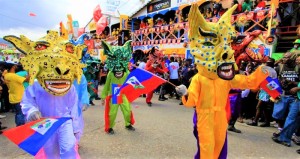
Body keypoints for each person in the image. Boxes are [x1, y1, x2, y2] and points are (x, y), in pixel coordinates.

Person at [176, 4, 276, 158]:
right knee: (206, 149)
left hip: (221, 118)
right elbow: (192, 101)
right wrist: (185, 93)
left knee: (220, 149)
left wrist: (262, 72)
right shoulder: (199, 79)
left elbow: (246, 81)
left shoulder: (226, 78)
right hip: (204, 117)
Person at [5, 31, 82, 158]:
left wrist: (75, 126)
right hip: (45, 122)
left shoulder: (70, 87)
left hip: (64, 121)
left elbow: (73, 106)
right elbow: (27, 102)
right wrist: (32, 112)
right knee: (50, 152)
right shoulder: (35, 85)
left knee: (69, 149)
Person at [100, 41, 135, 134]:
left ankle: (128, 124)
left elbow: (132, 83)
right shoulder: (111, 74)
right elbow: (107, 85)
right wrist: (103, 97)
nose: (118, 65)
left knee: (127, 110)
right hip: (114, 93)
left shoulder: (127, 72)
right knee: (112, 113)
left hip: (124, 94)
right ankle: (110, 127)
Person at [272, 52, 299, 138]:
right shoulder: (279, 67)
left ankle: (285, 135)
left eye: (287, 58)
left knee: (291, 117)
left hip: (295, 97)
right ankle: (281, 129)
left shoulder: (298, 68)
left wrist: (296, 86)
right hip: (281, 96)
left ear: (293, 58)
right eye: (283, 57)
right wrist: (274, 93)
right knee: (277, 115)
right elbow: (270, 80)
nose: (284, 59)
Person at [3, 62, 29, 126]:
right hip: (18, 97)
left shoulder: (7, 75)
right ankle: (20, 126)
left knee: (17, 113)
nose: (16, 66)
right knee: (20, 113)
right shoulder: (13, 76)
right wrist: (30, 74)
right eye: (15, 65)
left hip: (13, 97)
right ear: (13, 67)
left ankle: (18, 125)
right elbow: (26, 80)